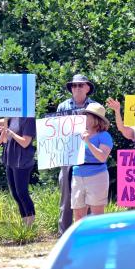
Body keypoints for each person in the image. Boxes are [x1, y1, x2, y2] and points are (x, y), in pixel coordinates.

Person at [55, 74, 97, 234]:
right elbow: (56, 132)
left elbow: (100, 131)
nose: (77, 88)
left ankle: (87, 232)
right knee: (66, 197)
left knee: (88, 196)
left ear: (87, 88)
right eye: (74, 85)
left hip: (89, 156)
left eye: (80, 85)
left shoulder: (95, 107)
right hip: (67, 156)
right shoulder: (63, 107)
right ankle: (63, 234)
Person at [0, 117, 37, 227]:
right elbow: (3, 122)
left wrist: (11, 133)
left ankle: (31, 225)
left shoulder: (29, 119)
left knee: (22, 193)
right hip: (10, 160)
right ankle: (25, 224)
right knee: (15, 194)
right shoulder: (9, 117)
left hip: (22, 161)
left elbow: (25, 143)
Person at [71, 103, 113, 221]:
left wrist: (88, 142)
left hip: (97, 176)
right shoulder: (77, 133)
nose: (84, 116)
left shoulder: (104, 136)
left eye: (87, 114)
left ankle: (100, 239)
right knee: (78, 215)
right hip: (77, 175)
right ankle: (81, 239)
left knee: (97, 216)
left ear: (96, 119)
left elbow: (102, 157)